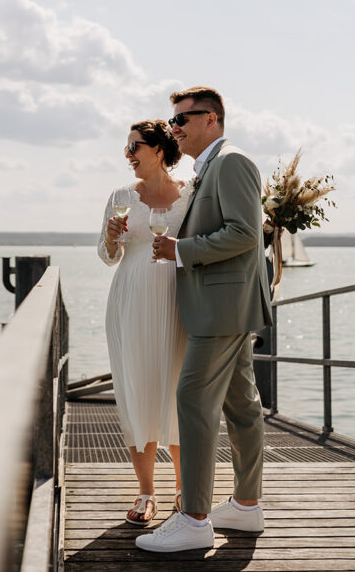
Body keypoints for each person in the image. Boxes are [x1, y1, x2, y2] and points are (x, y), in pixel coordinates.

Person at [137, 86, 272, 553]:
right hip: (224, 305)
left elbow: (243, 232)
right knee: (240, 404)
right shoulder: (210, 166)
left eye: (182, 119)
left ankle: (194, 519)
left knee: (192, 400)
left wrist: (181, 251)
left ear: (211, 119)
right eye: (172, 120)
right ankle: (246, 505)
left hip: (221, 308)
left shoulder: (231, 162)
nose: (174, 128)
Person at [98, 119, 191, 525]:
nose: (128, 154)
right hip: (132, 299)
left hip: (179, 302)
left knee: (181, 393)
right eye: (126, 148)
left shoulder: (190, 195)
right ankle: (146, 492)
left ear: (158, 149)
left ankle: (187, 487)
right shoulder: (121, 196)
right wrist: (111, 236)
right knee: (138, 389)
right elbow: (107, 256)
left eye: (135, 146)